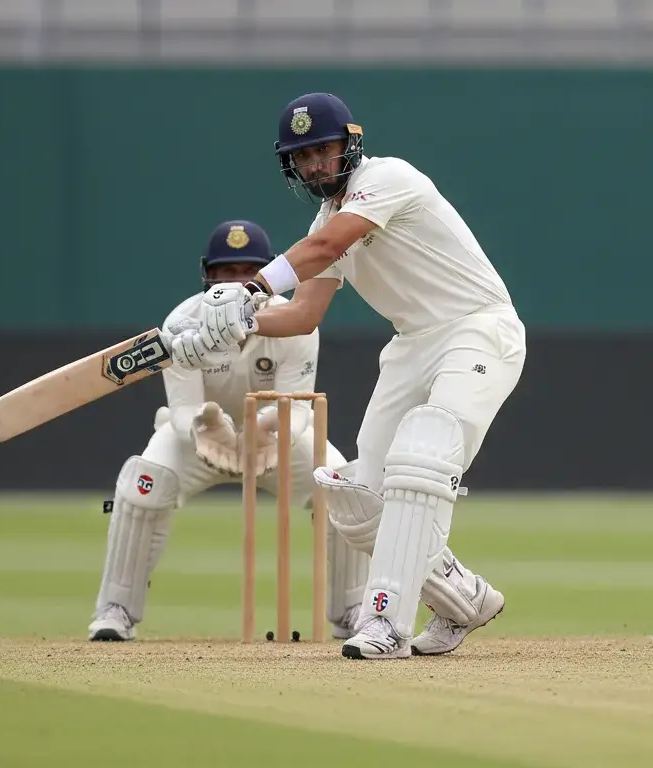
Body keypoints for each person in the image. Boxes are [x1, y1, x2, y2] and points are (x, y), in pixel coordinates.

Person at [170, 93, 526, 660]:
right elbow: (302, 314)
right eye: (302, 156)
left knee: (423, 454)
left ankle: (384, 620)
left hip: (477, 329)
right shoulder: (323, 222)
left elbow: (327, 247)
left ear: (349, 145)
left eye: (323, 149)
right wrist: (228, 325)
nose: (314, 164)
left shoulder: (388, 179)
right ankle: (463, 599)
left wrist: (250, 289)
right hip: (412, 345)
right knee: (358, 498)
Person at [91, 219, 368, 642]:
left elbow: (298, 408)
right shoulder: (181, 323)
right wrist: (205, 429)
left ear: (267, 276)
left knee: (341, 485)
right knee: (141, 486)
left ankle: (350, 611)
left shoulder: (293, 321)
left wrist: (264, 432)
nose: (236, 284)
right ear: (208, 275)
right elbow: (182, 409)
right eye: (226, 273)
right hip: (200, 442)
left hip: (274, 441)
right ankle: (115, 611)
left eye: (247, 273)